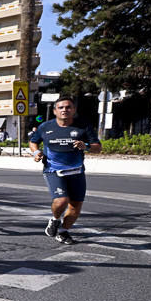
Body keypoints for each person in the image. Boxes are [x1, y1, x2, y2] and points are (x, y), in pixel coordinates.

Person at [28, 95, 101, 245]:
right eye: (61, 107)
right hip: (53, 170)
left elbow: (98, 148)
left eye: (68, 107)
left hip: (76, 171)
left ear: (74, 110)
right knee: (61, 201)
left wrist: (85, 146)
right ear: (55, 111)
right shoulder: (45, 127)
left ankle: (62, 232)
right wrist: (36, 153)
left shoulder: (83, 126)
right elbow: (33, 142)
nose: (64, 110)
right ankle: (55, 220)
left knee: (75, 207)